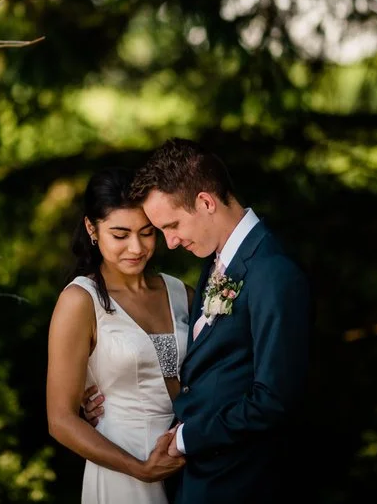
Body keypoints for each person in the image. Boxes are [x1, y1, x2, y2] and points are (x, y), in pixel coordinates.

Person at [129, 137, 311, 504]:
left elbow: (274, 401)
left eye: (172, 225)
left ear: (206, 202)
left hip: (243, 483)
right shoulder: (214, 265)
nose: (170, 242)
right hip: (204, 481)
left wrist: (186, 439)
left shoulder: (272, 273)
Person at [46, 166, 194, 504]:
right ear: (91, 228)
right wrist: (139, 468)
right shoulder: (80, 301)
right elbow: (60, 420)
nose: (136, 247)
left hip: (192, 465)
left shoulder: (180, 293)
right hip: (124, 467)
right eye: (120, 234)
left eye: (146, 232)